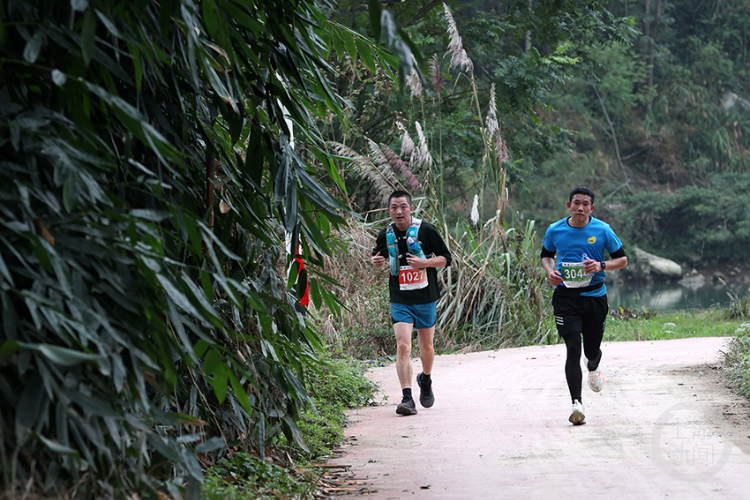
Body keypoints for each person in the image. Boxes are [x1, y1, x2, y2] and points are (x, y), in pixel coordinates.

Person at [540, 186, 628, 425]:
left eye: (585, 204)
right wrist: (551, 272)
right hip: (565, 298)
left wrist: (601, 265)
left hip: (594, 297)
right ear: (569, 206)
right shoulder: (555, 230)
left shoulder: (602, 230)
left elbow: (622, 259)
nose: (580, 207)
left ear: (592, 208)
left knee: (590, 350)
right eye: (576, 203)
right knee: (572, 347)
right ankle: (576, 404)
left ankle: (593, 365)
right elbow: (546, 255)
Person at [371, 190, 452, 415]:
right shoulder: (385, 234)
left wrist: (423, 263)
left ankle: (425, 379)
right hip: (400, 298)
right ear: (389, 210)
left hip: (425, 297)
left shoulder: (426, 230)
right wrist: (376, 261)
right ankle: (407, 399)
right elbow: (377, 257)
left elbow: (447, 258)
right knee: (403, 345)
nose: (399, 211)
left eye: (403, 207)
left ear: (411, 208)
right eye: (394, 207)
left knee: (426, 347)